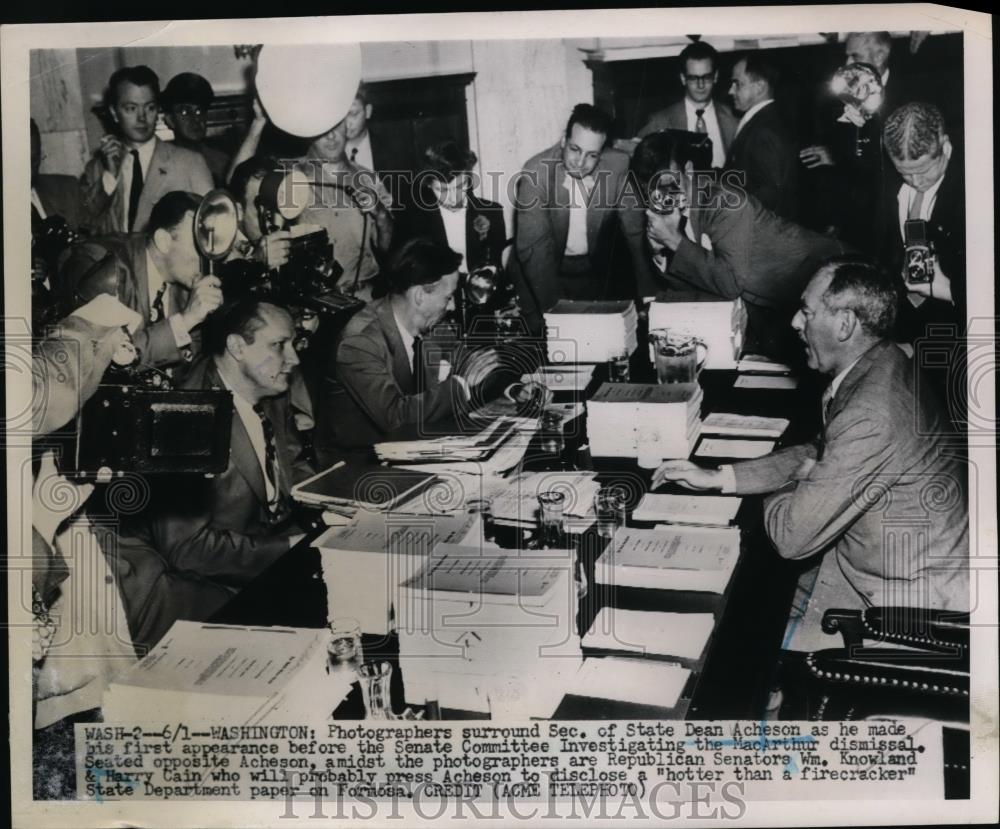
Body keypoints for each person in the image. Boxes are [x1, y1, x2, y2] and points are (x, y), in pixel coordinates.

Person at [652, 257, 968, 652]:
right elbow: (820, 449)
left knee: (737, 643)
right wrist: (722, 476)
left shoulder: (871, 413)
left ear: (845, 324)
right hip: (876, 562)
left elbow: (790, 538)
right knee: (746, 604)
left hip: (908, 605)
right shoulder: (879, 362)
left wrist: (802, 480)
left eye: (807, 311)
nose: (795, 324)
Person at [115, 299, 313, 652]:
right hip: (207, 590)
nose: (294, 358)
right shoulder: (185, 414)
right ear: (237, 347)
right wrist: (288, 550)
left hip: (265, 554)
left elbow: (294, 467)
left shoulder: (269, 388)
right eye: (279, 345)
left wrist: (327, 509)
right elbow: (189, 550)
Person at [314, 238, 544, 463]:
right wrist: (461, 385)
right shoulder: (359, 342)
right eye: (448, 297)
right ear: (420, 295)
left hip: (417, 448)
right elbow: (396, 417)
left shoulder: (433, 326)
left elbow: (472, 364)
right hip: (362, 466)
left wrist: (513, 389)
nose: (452, 306)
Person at [635, 131, 844, 358]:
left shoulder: (725, 202)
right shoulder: (674, 207)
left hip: (831, 278)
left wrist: (674, 240)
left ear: (688, 170)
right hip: (768, 304)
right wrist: (661, 254)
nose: (666, 196)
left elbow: (729, 283)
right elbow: (696, 282)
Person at [509, 104, 643, 332]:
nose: (580, 162)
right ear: (563, 140)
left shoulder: (618, 165)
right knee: (554, 346)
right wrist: (560, 316)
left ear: (602, 154)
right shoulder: (535, 173)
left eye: (592, 155)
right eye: (574, 149)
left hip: (592, 276)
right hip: (540, 279)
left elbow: (635, 232)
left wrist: (647, 295)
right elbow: (536, 251)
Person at [66, 191, 224, 371]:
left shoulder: (186, 282)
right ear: (163, 241)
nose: (208, 255)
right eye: (198, 244)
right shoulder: (105, 270)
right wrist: (187, 319)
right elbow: (110, 362)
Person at [799, 32, 918, 251]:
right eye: (847, 56)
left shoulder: (907, 97)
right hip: (856, 222)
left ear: (880, 56)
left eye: (854, 56)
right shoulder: (840, 99)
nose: (846, 64)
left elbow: (895, 162)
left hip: (892, 219)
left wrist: (838, 157)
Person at [80, 65, 213, 234]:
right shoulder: (96, 169)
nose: (142, 118)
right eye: (131, 108)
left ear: (158, 110)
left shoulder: (190, 162)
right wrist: (109, 178)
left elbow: (212, 226)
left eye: (149, 107)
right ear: (114, 113)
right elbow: (84, 226)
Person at [882, 102, 965, 341]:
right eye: (904, 173)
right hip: (901, 325)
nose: (915, 181)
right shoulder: (886, 180)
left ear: (946, 148)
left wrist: (948, 290)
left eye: (925, 170)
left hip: (955, 330)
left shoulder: (973, 194)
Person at [394, 140, 507, 272]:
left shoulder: (492, 212)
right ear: (429, 185)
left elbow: (496, 264)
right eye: (443, 191)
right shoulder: (414, 219)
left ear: (468, 177)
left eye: (460, 186)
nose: (454, 199)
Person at [637, 40, 738, 169]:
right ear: (683, 78)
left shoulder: (734, 119)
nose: (700, 85)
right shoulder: (659, 122)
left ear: (716, 76)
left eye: (706, 77)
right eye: (693, 78)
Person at [726, 52, 797, 218]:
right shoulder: (764, 121)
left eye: (737, 84)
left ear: (759, 87)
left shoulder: (764, 131)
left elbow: (769, 196)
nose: (730, 91)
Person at [161, 72, 231, 186]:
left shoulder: (221, 162)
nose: (195, 119)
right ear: (170, 120)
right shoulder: (160, 161)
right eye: (184, 112)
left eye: (199, 111)